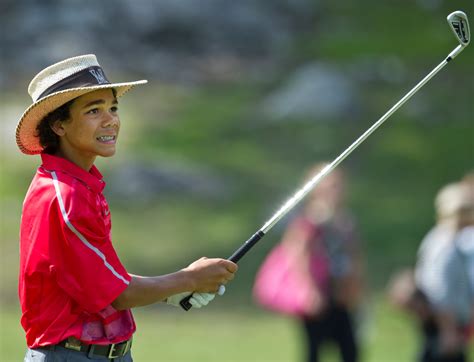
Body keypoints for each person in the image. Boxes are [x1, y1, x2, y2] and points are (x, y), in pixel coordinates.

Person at [16, 54, 238, 361]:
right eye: (94, 110)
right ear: (59, 126)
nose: (111, 120)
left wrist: (168, 292)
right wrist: (188, 279)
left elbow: (100, 277)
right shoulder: (64, 196)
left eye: (113, 108)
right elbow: (117, 293)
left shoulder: (81, 185)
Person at [256, 163, 364, 362]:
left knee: (350, 348)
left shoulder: (345, 219)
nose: (337, 191)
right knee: (314, 348)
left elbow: (353, 254)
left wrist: (355, 283)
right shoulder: (310, 219)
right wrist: (309, 289)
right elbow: (298, 255)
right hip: (319, 291)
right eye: (332, 186)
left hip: (339, 290)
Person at [388, 179, 473, 362]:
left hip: (446, 322)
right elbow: (439, 292)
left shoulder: (446, 239)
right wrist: (447, 330)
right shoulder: (445, 245)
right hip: (443, 324)